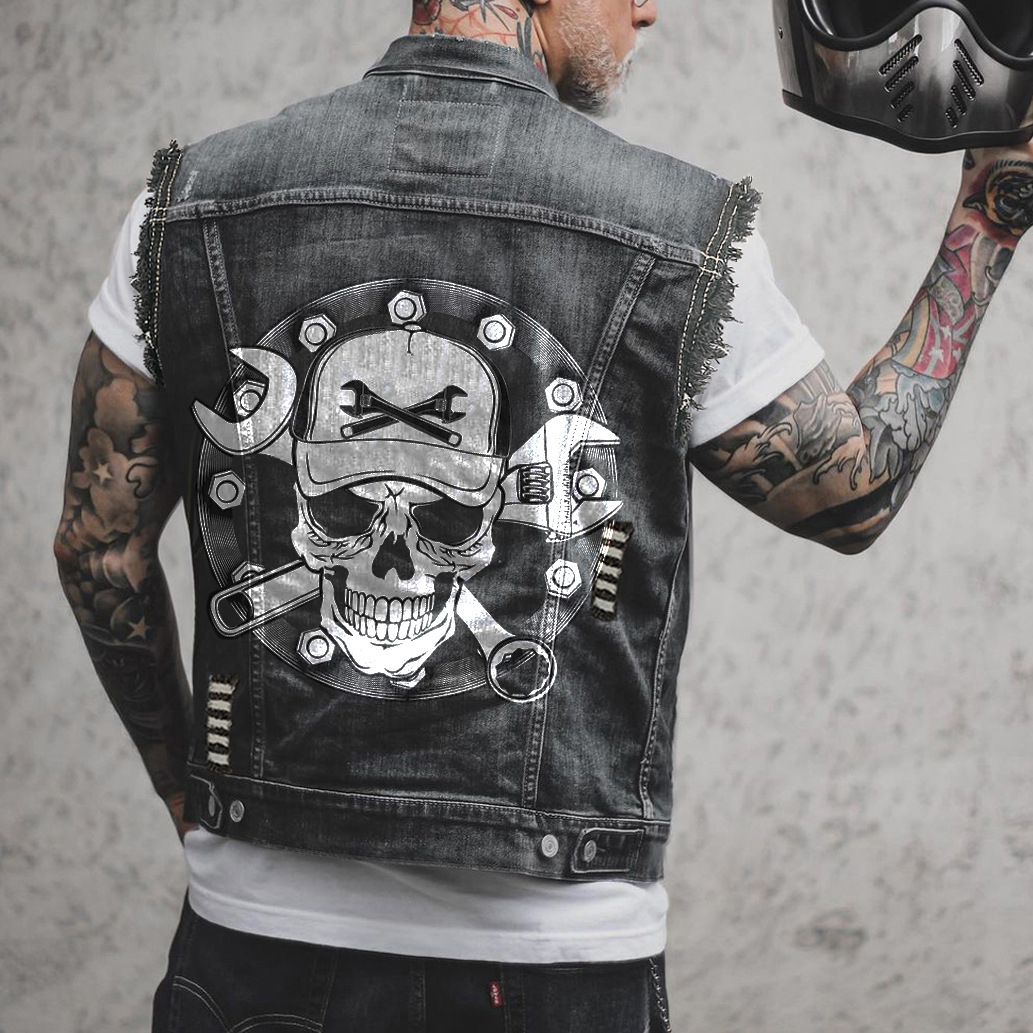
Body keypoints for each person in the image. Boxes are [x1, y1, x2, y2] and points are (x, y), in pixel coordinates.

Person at [53, 2, 1032, 1031]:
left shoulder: (188, 206)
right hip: (556, 960)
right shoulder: (681, 235)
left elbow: (96, 554)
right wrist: (989, 207)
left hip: (255, 937)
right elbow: (851, 491)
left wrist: (191, 799)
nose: (648, 8)